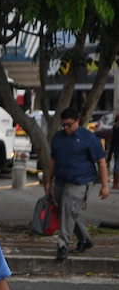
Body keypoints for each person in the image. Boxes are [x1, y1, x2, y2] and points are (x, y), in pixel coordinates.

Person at [45, 107, 109, 260]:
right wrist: (48, 181)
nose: (66, 128)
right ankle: (85, 239)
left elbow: (101, 161)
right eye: (64, 125)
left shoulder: (89, 138)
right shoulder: (58, 137)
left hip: (81, 181)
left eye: (69, 124)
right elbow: (53, 160)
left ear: (77, 122)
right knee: (69, 212)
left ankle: (62, 246)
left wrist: (105, 185)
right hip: (61, 181)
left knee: (68, 210)